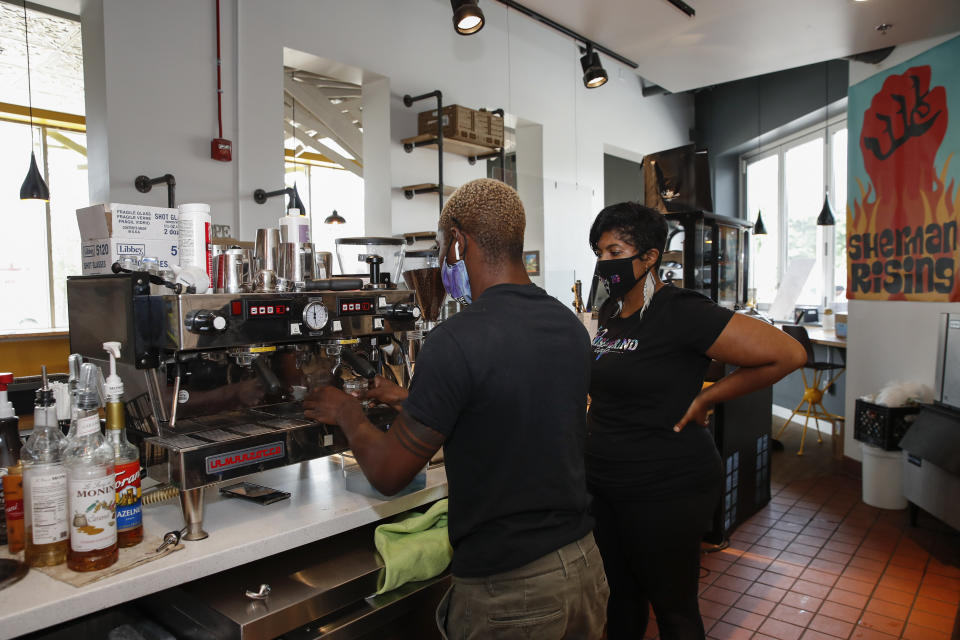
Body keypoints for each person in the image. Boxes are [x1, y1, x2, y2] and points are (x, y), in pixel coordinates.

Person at [304, 178, 609, 639]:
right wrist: (408, 397)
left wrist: (348, 412)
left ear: (459, 242)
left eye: (442, 245)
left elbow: (389, 474)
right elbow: (511, 400)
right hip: (585, 568)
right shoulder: (568, 326)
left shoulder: (455, 340)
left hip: (513, 591)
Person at [585, 202, 807, 640]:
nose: (604, 263)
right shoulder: (612, 314)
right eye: (599, 252)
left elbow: (789, 354)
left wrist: (711, 398)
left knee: (673, 609)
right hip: (606, 481)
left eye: (615, 251)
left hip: (665, 483)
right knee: (620, 599)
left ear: (649, 257)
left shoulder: (681, 309)